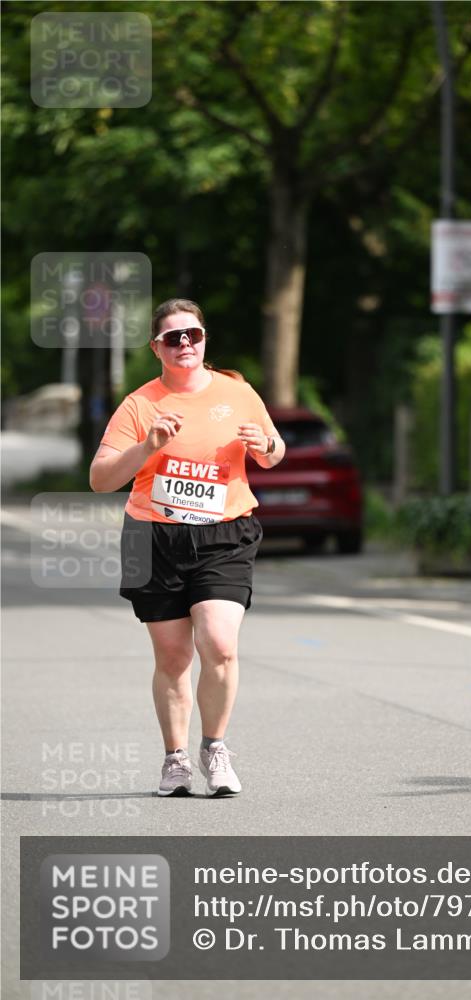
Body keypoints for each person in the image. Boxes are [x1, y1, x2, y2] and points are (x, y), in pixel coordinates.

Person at [89, 298, 285, 798]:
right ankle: (175, 760)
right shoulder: (139, 404)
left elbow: (274, 450)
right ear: (156, 347)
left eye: (192, 335)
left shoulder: (236, 392)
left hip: (224, 533)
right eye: (173, 337)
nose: (185, 345)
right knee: (173, 657)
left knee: (219, 643)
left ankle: (214, 748)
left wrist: (265, 448)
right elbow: (100, 480)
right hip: (152, 536)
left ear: (204, 340)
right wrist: (146, 446)